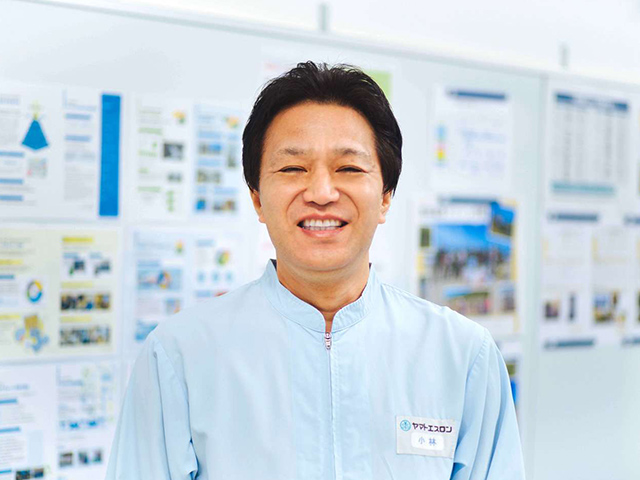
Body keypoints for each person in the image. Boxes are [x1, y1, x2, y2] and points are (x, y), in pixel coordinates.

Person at [106, 61, 525, 480]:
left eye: (349, 168)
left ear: (385, 196)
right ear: (257, 198)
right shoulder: (179, 356)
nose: (322, 193)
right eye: (293, 169)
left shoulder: (463, 355)